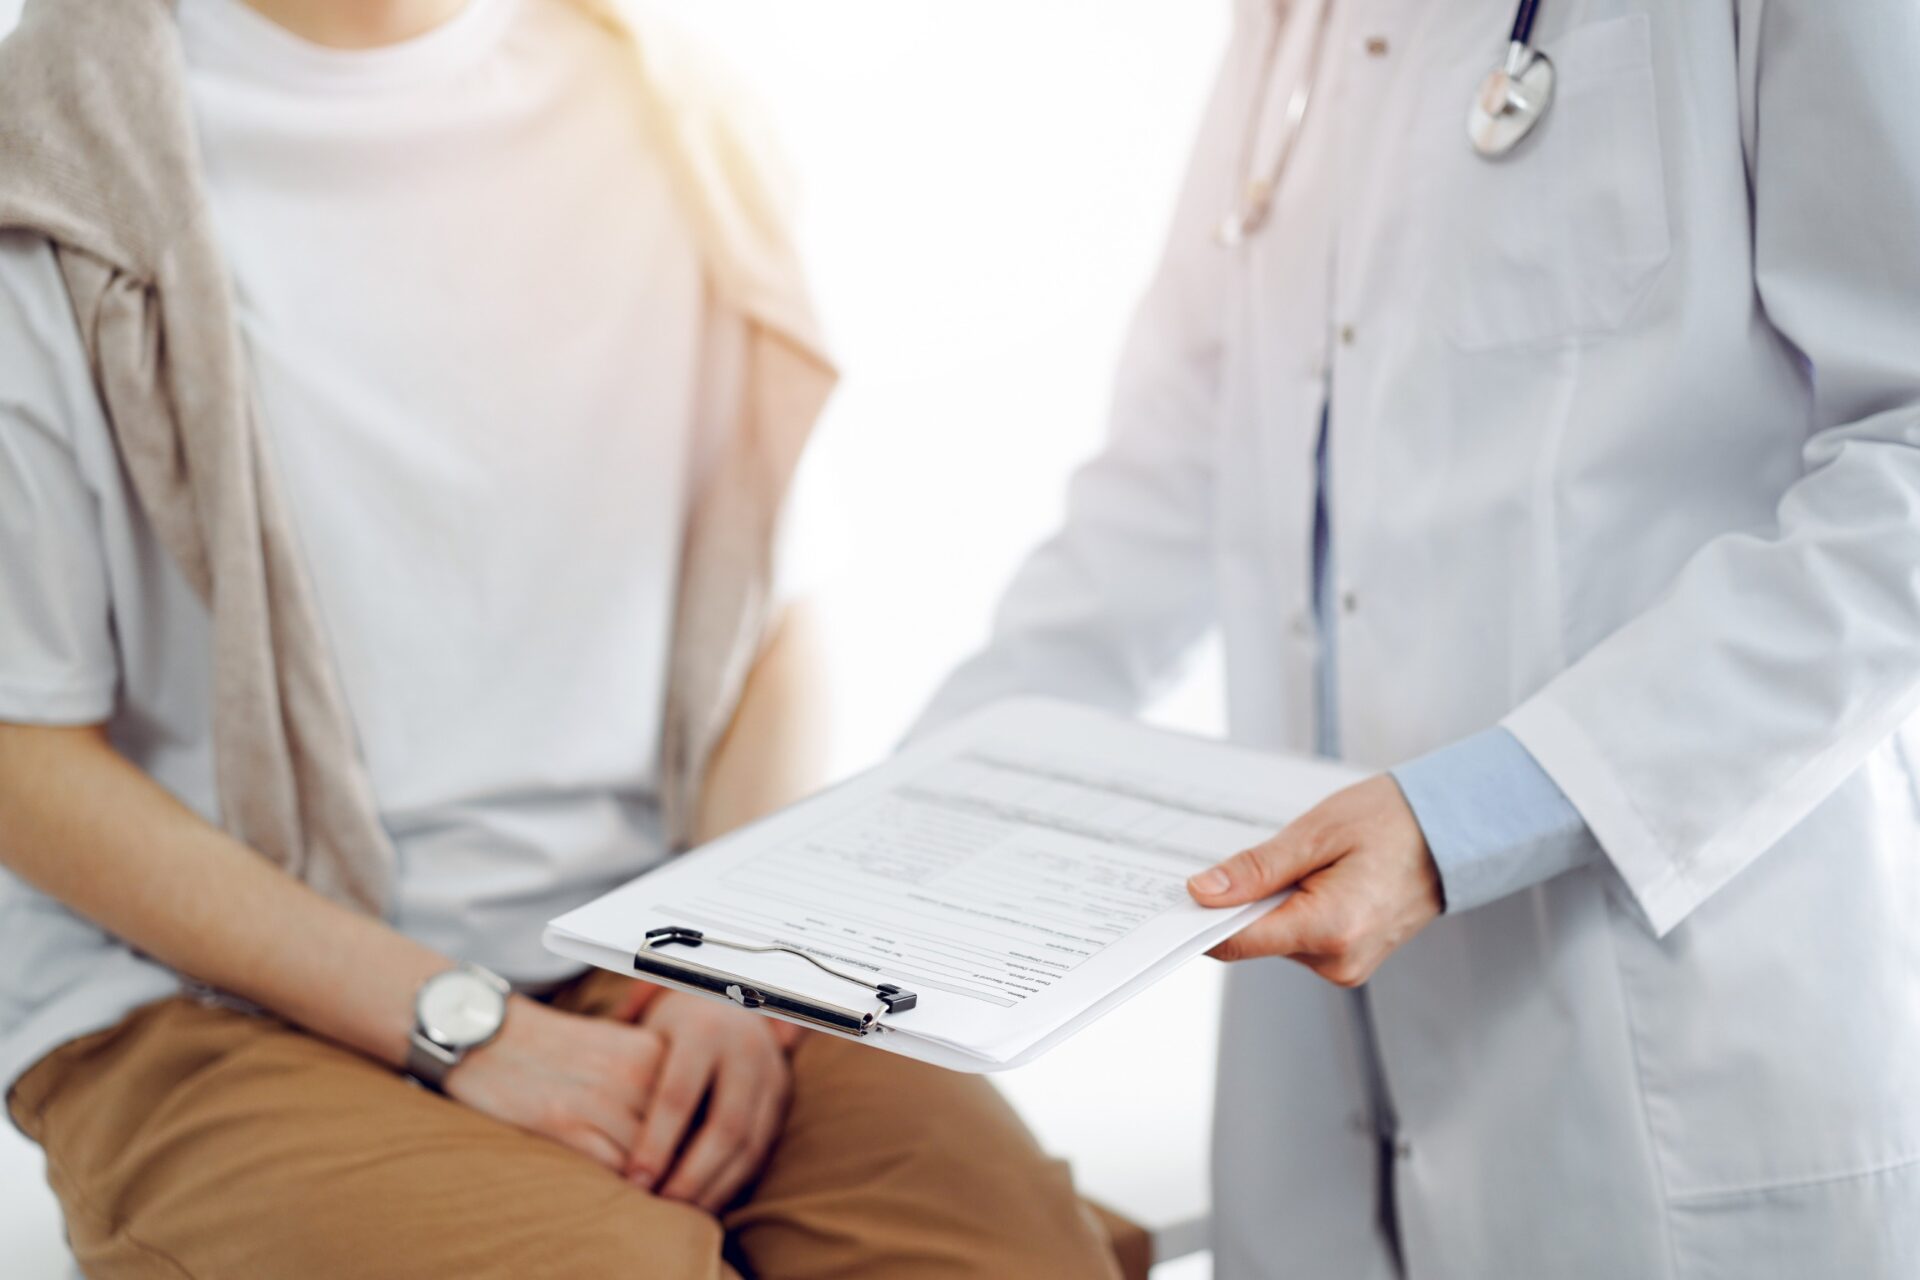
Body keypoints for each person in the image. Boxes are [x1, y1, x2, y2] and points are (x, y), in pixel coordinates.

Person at [0, 1, 1141, 1276]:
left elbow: (767, 605)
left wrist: (737, 962)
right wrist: (462, 1024)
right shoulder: (51, 154)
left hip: (655, 946)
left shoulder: (677, 105)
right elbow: (21, 753)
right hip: (204, 1001)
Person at [918, 1, 1920, 1276]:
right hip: (1327, 1091)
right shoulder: (1294, 25)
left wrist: (1476, 812)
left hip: (1676, 1043)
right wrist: (868, 852)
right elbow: (1160, 492)